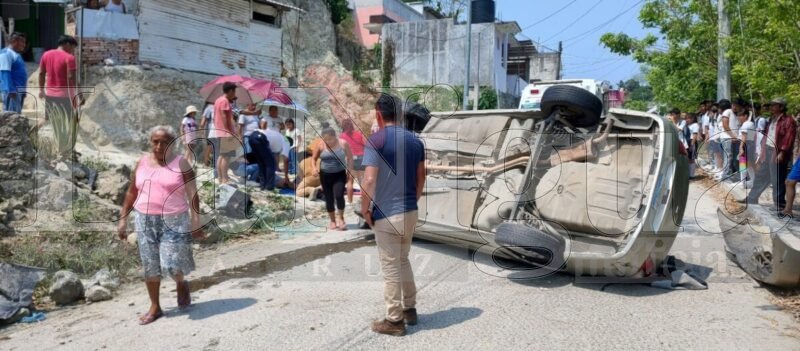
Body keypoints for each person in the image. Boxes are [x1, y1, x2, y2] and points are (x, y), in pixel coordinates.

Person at [117, 125, 203, 325]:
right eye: (155, 141)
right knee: (150, 264)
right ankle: (155, 307)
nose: (159, 146)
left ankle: (180, 282)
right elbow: (131, 192)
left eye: (164, 142)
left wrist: (196, 221)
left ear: (172, 143)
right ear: (150, 142)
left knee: (171, 264)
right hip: (145, 219)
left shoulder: (182, 164)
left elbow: (193, 194)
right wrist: (123, 219)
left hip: (175, 219)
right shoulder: (141, 163)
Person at [361, 94, 426, 336]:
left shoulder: (376, 140)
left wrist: (364, 209)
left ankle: (394, 320)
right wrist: (413, 201)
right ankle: (410, 309)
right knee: (403, 260)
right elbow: (421, 177)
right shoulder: (415, 141)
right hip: (410, 211)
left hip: (387, 214)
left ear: (378, 113)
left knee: (390, 267)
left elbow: (369, 179)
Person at [746, 98, 796, 212]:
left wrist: (782, 152)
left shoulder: (788, 120)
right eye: (771, 105)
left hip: (777, 151)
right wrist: (761, 151)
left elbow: (788, 138)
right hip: (768, 149)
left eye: (774, 105)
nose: (771, 108)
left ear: (781, 107)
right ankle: (752, 198)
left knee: (777, 178)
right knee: (761, 175)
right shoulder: (771, 119)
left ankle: (779, 204)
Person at [37, 35, 79, 159]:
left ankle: (31, 133)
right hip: (64, 97)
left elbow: (41, 73)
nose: (73, 50)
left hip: (50, 95)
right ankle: (63, 152)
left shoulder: (46, 55)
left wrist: (41, 90)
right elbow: (72, 78)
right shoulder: (69, 58)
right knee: (66, 124)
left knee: (51, 121)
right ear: (67, 44)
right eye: (72, 47)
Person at [312, 127, 353, 230]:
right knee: (329, 198)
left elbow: (350, 157)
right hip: (325, 175)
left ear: (335, 137)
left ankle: (341, 218)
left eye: (330, 139)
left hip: (339, 174)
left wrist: (349, 170)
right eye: (326, 139)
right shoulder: (321, 145)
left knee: (339, 195)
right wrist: (314, 168)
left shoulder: (343, 143)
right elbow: (314, 159)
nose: (328, 142)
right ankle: (332, 221)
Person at [213, 82, 240, 184]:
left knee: (222, 155)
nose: (234, 94)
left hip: (220, 132)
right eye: (234, 91)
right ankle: (224, 178)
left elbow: (216, 117)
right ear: (230, 91)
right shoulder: (224, 101)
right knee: (226, 157)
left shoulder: (218, 100)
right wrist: (228, 131)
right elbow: (224, 117)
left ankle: (220, 177)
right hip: (226, 133)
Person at [257, 119, 292, 188]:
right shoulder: (286, 143)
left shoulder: (279, 138)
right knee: (279, 181)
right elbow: (286, 160)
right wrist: (286, 176)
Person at [340, 119, 367, 203]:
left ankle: (349, 201)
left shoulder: (341, 136)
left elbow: (341, 149)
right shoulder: (359, 134)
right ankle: (364, 201)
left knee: (350, 181)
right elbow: (365, 145)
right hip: (361, 158)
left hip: (350, 159)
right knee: (362, 181)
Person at [0, 32, 27, 113]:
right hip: (12, 92)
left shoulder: (16, 55)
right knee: (11, 119)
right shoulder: (6, 54)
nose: (24, 45)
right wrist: (11, 90)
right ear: (15, 41)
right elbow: (5, 73)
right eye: (22, 42)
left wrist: (23, 91)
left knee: (17, 117)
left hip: (18, 91)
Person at [737, 110, 755, 188]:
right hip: (749, 144)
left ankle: (744, 182)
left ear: (746, 116)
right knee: (747, 165)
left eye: (740, 116)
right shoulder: (750, 124)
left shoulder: (746, 124)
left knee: (744, 164)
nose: (739, 118)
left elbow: (744, 137)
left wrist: (741, 148)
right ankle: (748, 182)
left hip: (746, 144)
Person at [199, 102, 216, 167]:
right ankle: (206, 162)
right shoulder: (209, 107)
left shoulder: (216, 107)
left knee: (212, 146)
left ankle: (210, 163)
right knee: (210, 146)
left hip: (216, 130)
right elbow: (203, 120)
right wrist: (201, 129)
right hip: (210, 130)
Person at [685, 113, 700, 179]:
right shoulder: (688, 125)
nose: (687, 120)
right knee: (688, 158)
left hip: (692, 141)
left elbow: (695, 135)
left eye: (688, 118)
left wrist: (692, 144)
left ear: (693, 119)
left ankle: (692, 175)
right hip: (687, 141)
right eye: (686, 118)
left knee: (691, 159)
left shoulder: (695, 125)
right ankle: (688, 173)